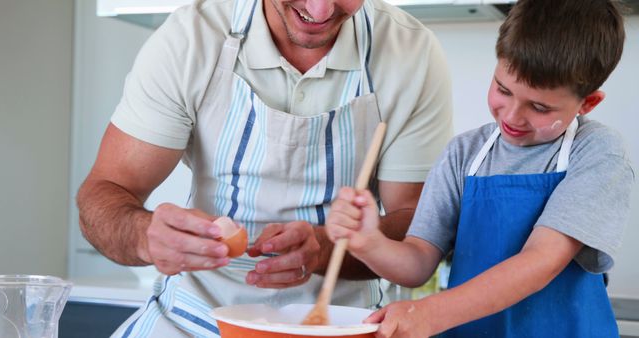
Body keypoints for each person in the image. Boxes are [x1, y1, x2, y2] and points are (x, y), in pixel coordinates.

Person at [76, 0, 453, 336]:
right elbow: (104, 193)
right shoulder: (192, 38)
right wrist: (145, 236)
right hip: (192, 320)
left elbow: (417, 228)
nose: (320, 11)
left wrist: (324, 248)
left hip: (339, 326)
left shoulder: (409, 53)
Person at [326, 0, 635, 337]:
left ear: (588, 103)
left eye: (539, 107)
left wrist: (430, 314)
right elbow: (417, 262)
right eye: (503, 89)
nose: (512, 116)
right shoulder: (464, 154)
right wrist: (368, 242)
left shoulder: (596, 152)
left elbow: (542, 259)